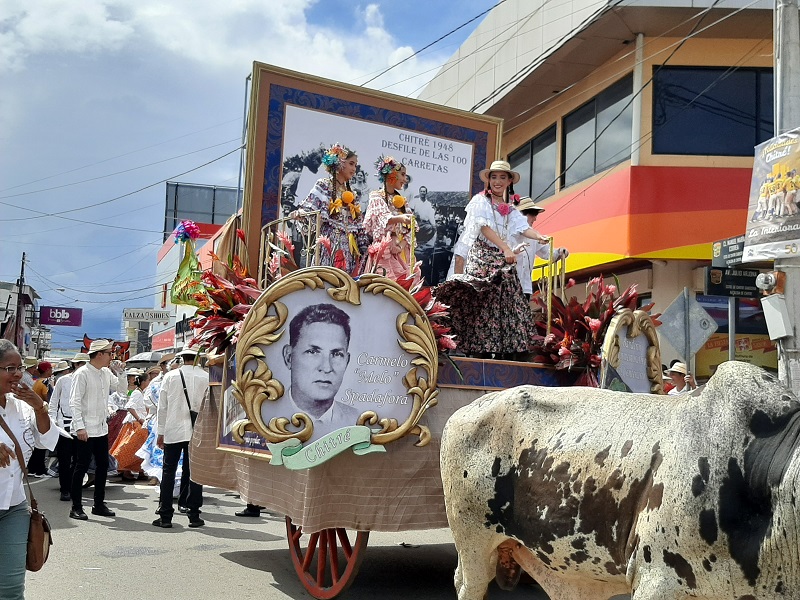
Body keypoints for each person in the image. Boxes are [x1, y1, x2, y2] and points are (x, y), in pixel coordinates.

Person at [435, 160, 549, 359]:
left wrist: (538, 236)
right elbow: (484, 228)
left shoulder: (509, 208)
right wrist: (505, 247)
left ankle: (502, 353)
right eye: (494, 177)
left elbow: (523, 227)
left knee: (511, 304)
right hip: (482, 258)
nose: (498, 181)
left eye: (502, 177)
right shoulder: (480, 202)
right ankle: (476, 351)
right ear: (488, 180)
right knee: (481, 303)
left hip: (501, 261)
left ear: (509, 182)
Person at [0, 339, 59, 600]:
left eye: (19, 368)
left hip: (14, 507)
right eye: (9, 368)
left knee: (12, 588)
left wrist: (39, 407)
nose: (17, 374)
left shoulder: (22, 405)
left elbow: (48, 439)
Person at [281, 303, 361, 440]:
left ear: (347, 361)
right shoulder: (268, 413)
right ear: (289, 357)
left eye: (336, 354)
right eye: (313, 352)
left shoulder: (359, 422)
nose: (326, 367)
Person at [153, 345, 209, 529]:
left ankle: (165, 515)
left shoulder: (170, 376)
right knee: (194, 472)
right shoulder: (206, 377)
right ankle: (193, 514)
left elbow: (162, 407)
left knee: (168, 471)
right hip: (197, 430)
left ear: (181, 358)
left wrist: (160, 432)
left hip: (173, 429)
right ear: (197, 358)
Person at [294, 143, 370, 276]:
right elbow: (310, 208)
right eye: (351, 164)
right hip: (330, 241)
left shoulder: (352, 194)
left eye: (355, 165)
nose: (354, 169)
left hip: (349, 245)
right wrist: (301, 213)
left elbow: (358, 224)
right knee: (326, 279)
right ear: (340, 163)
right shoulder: (324, 185)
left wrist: (365, 248)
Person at [68, 338, 117, 520]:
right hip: (85, 429)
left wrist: (119, 372)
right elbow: (75, 402)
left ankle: (99, 504)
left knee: (103, 466)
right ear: (99, 354)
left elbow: (119, 388)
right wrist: (80, 427)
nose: (111, 357)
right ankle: (76, 507)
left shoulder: (105, 372)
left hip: (101, 428)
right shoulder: (82, 373)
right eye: (109, 353)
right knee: (81, 466)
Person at [363, 156, 416, 279]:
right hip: (383, 250)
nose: (405, 179)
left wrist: (400, 246)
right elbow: (382, 218)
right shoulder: (376, 196)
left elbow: (412, 229)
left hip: (399, 252)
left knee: (404, 282)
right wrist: (401, 218)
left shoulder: (402, 201)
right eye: (402, 174)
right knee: (384, 281)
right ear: (392, 174)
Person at [511, 197, 569, 300]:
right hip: (507, 285)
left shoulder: (534, 236)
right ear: (521, 215)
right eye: (533, 214)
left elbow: (548, 253)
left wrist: (560, 252)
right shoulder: (508, 231)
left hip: (525, 287)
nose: (535, 218)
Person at [49, 353, 89, 501]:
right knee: (64, 459)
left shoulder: (90, 380)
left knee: (80, 460)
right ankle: (65, 489)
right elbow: (54, 403)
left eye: (85, 364)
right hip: (64, 425)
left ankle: (74, 487)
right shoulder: (63, 381)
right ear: (75, 365)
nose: (82, 367)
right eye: (80, 364)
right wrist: (53, 421)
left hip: (83, 425)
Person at [26, 361, 53, 477]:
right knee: (43, 443)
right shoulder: (44, 384)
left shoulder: (37, 382)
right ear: (47, 370)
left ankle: (33, 468)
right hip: (42, 413)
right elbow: (49, 399)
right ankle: (40, 470)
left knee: (38, 442)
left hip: (35, 413)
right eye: (50, 368)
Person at [409, 185, 438, 283]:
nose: (422, 193)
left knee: (430, 228)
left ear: (426, 193)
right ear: (419, 192)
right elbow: (411, 212)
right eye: (421, 191)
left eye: (424, 191)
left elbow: (431, 216)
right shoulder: (415, 202)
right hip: (417, 223)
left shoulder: (428, 204)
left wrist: (434, 226)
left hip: (425, 225)